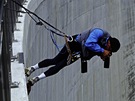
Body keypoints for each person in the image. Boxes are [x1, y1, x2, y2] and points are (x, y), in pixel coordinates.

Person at [25, 28, 120, 92]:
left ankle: (35, 80)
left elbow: (94, 50)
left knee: (59, 66)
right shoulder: (99, 33)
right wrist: (102, 51)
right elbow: (89, 43)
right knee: (55, 60)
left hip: (79, 53)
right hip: (73, 45)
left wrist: (102, 55)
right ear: (109, 42)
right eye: (109, 48)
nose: (108, 50)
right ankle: (32, 68)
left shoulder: (105, 44)